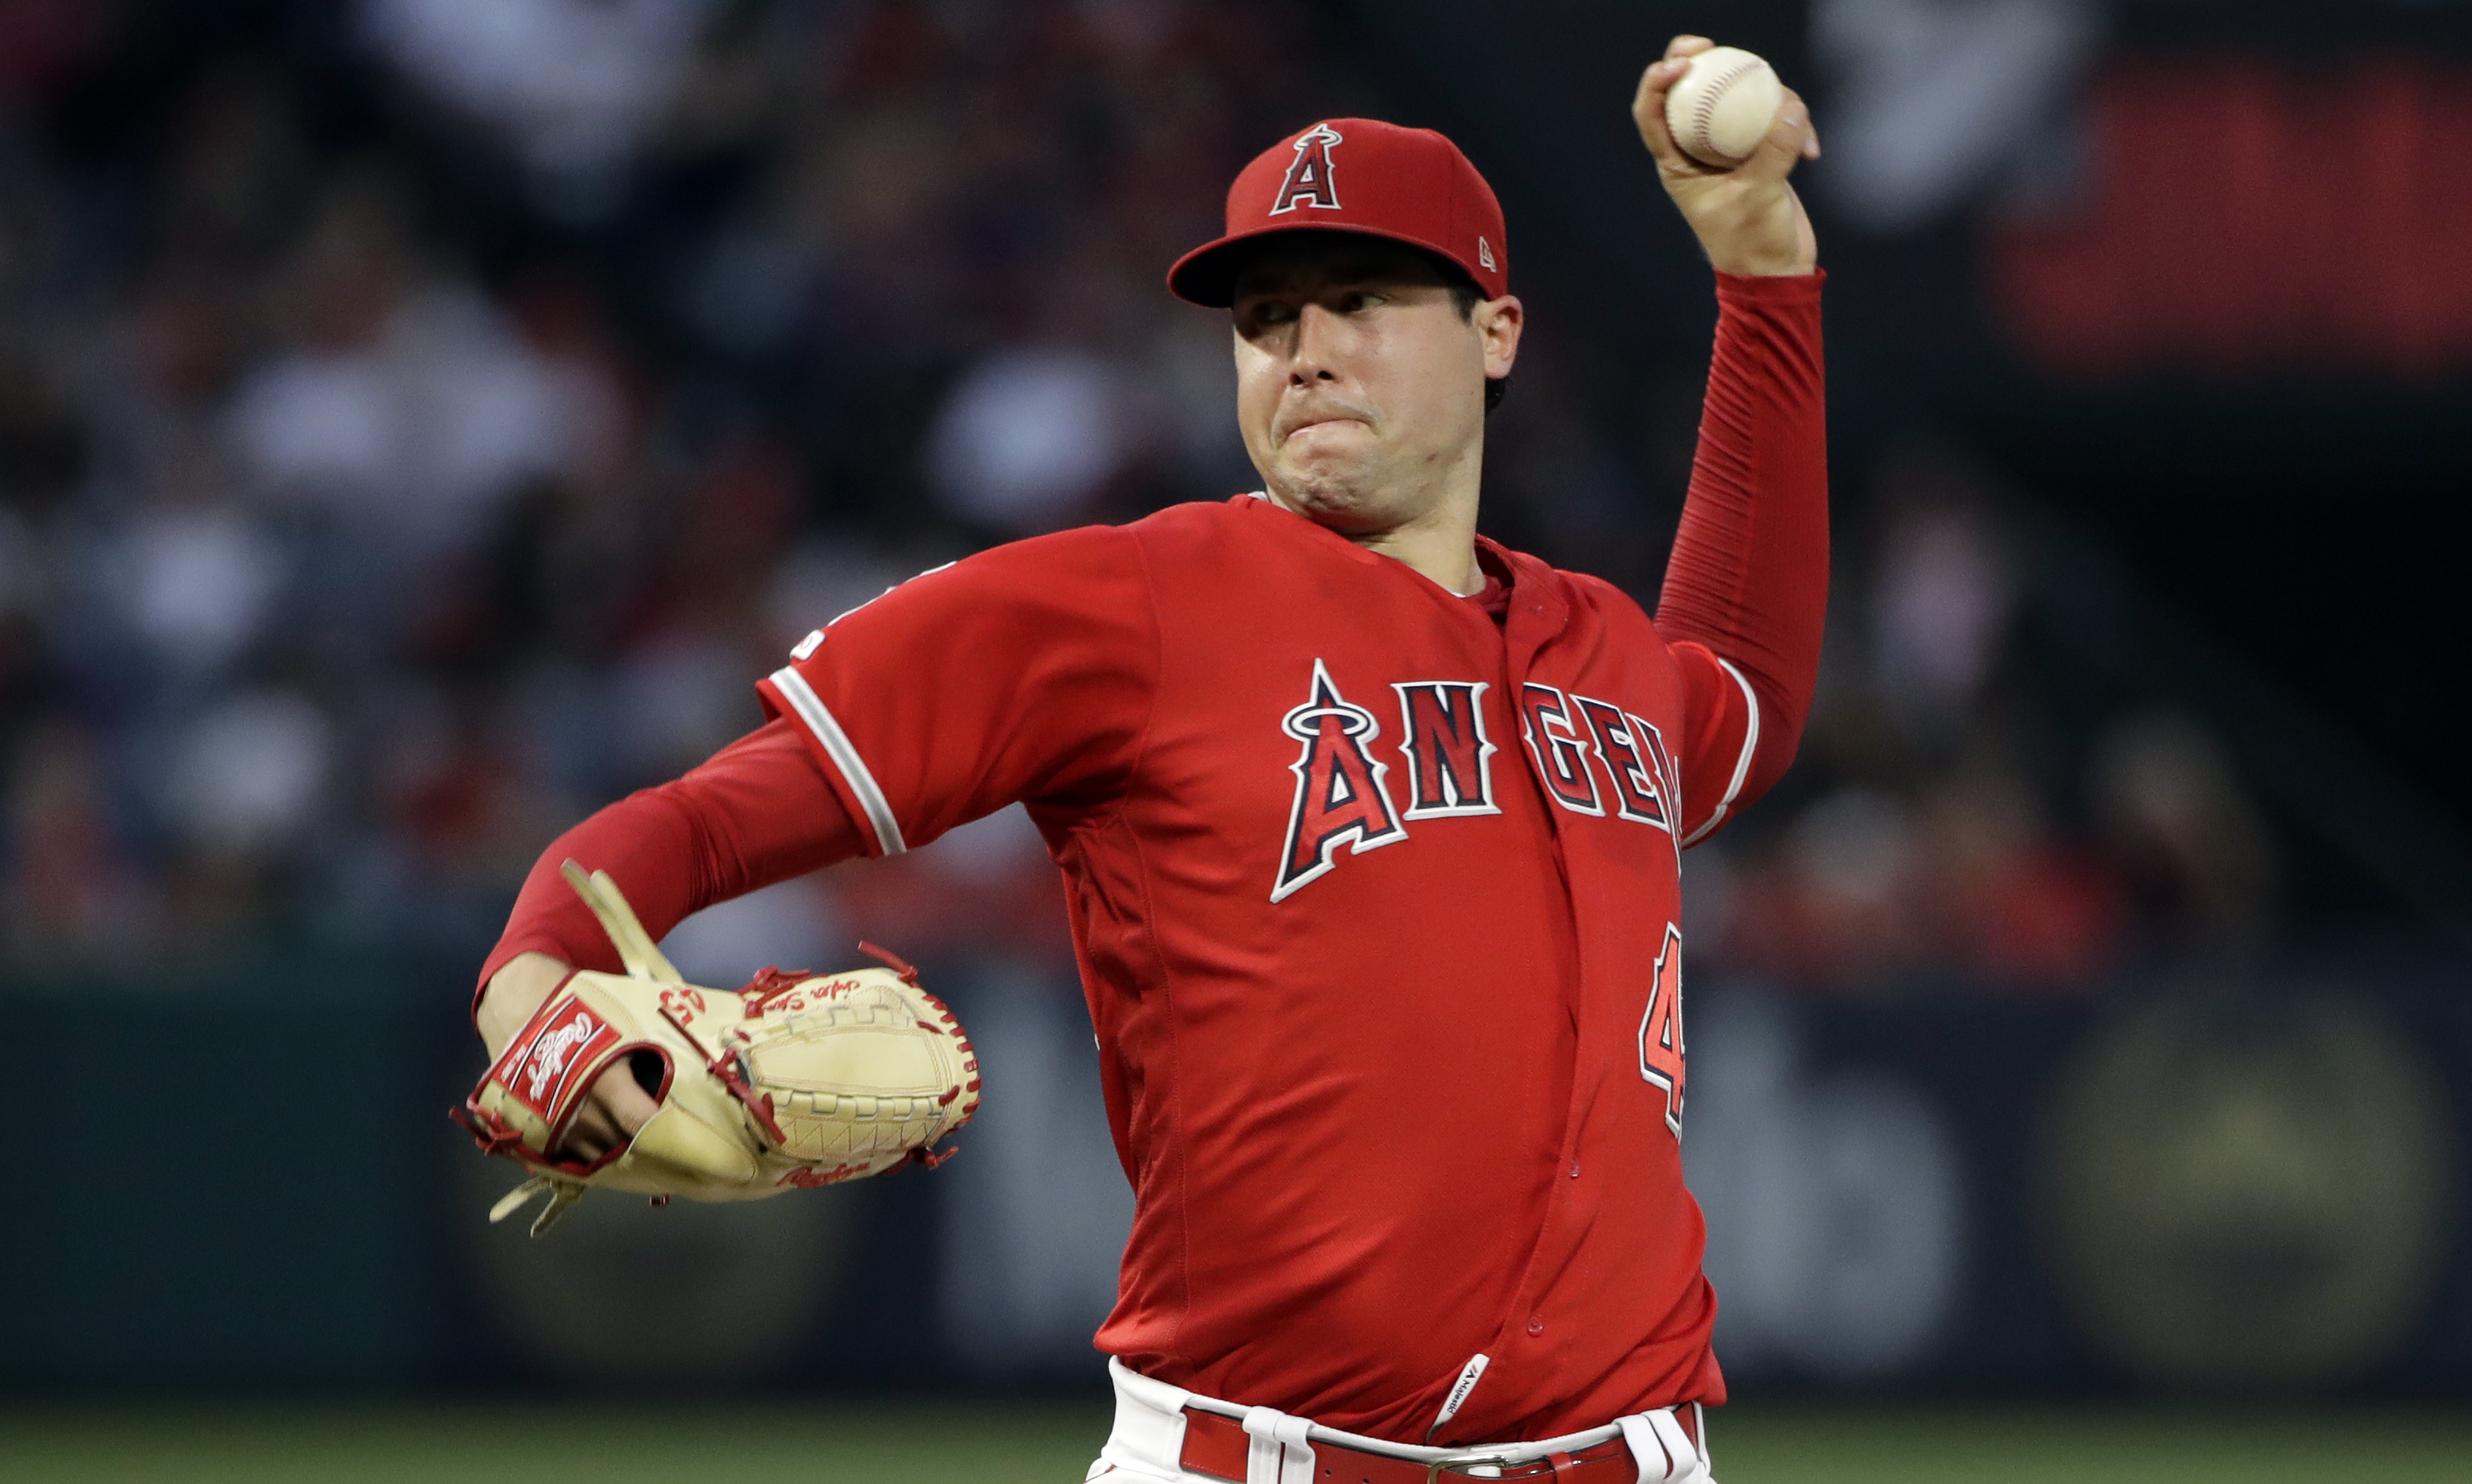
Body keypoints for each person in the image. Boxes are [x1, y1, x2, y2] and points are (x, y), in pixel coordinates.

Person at [471, 35, 1826, 1484]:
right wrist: (531, 988)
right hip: (1256, 1456)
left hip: (1637, 1452)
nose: (1303, 349)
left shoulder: (1607, 653)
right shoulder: (1131, 601)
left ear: (1496, 331)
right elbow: (702, 819)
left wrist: (1765, 273)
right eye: (1265, 317)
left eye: (1361, 301)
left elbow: (1743, 686)